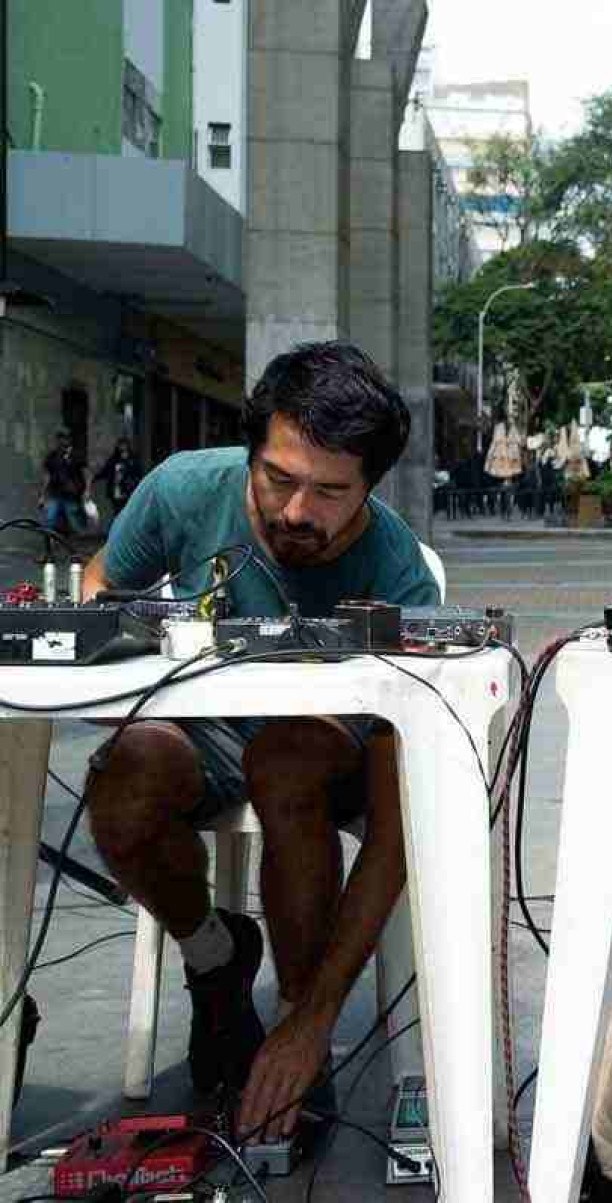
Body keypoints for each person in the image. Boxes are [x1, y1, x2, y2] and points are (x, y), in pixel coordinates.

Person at [79, 341, 439, 1137]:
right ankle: (214, 954)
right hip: (205, 731)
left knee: (285, 761)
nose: (296, 512)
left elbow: (393, 831)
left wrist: (312, 1021)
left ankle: (292, 1029)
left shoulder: (399, 571)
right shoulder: (182, 489)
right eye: (278, 478)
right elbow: (103, 585)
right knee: (126, 771)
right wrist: (124, 672)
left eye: (329, 492)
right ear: (251, 453)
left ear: (370, 489)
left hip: (319, 756)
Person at [38, 428, 90, 534]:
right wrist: (43, 495)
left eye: (64, 439)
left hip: (71, 494)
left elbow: (86, 473)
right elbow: (47, 477)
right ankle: (51, 542)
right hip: (56, 493)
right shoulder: (52, 457)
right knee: (50, 519)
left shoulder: (75, 456)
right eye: (60, 440)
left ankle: (79, 543)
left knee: (75, 521)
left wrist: (87, 490)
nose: (61, 443)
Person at [94, 436, 144, 527]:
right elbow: (105, 471)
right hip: (116, 490)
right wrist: (94, 477)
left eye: (124, 445)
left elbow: (138, 473)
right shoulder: (114, 459)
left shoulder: (133, 460)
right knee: (117, 511)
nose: (123, 448)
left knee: (127, 510)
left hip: (128, 489)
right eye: (121, 445)